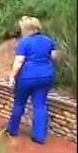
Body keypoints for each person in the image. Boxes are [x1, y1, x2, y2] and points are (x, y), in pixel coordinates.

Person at [6, 16, 58, 144]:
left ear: (25, 28)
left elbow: (19, 61)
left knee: (19, 103)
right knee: (40, 104)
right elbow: (55, 56)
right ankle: (39, 136)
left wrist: (12, 75)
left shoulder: (24, 42)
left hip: (27, 76)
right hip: (46, 75)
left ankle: (12, 129)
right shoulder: (48, 40)